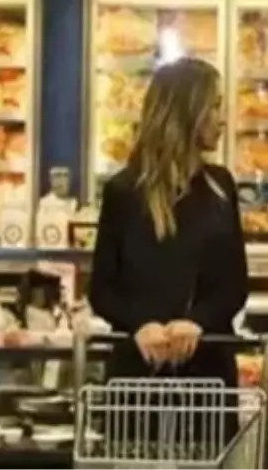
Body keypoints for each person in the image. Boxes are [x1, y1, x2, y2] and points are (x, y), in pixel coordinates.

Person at [87, 56, 248, 457]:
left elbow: (235, 285)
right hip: (136, 383)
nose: (222, 119)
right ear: (187, 112)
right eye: (214, 106)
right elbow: (102, 289)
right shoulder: (123, 192)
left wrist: (197, 322)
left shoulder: (221, 187)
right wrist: (140, 324)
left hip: (209, 382)